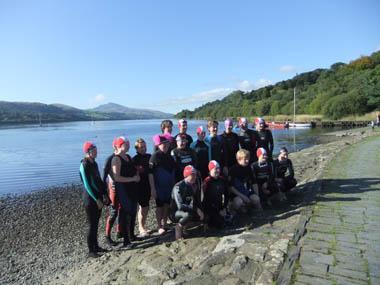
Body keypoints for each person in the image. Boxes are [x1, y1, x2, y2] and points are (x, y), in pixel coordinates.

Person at [79, 141, 108, 258]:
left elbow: (98, 181)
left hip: (98, 197)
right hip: (90, 199)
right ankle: (91, 251)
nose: (96, 152)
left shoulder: (94, 163)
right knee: (91, 224)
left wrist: (104, 194)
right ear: (88, 152)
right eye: (93, 150)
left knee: (96, 223)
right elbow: (87, 184)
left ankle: (96, 246)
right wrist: (97, 199)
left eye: (96, 150)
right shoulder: (84, 164)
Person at [111, 136, 140, 248]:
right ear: (119, 145)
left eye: (128, 143)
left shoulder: (128, 156)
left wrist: (137, 175)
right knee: (126, 212)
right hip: (123, 189)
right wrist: (133, 179)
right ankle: (126, 240)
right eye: (125, 143)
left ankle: (131, 235)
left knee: (133, 211)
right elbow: (116, 177)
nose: (128, 145)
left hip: (132, 188)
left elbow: (134, 169)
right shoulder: (116, 159)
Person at [149, 134, 177, 235]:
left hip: (169, 186)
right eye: (162, 144)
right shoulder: (154, 156)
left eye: (166, 143)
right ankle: (159, 226)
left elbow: (173, 172)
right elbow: (150, 174)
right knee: (159, 206)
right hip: (159, 187)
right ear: (158, 145)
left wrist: (174, 186)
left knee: (167, 205)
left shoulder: (170, 157)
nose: (164, 145)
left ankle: (165, 223)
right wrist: (153, 188)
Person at [170, 165, 204, 240]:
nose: (195, 176)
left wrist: (200, 210)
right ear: (187, 176)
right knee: (188, 214)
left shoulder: (192, 185)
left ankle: (185, 227)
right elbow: (180, 206)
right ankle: (178, 228)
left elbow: (195, 201)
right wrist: (196, 209)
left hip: (186, 208)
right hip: (175, 212)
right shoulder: (178, 187)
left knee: (201, 215)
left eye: (195, 174)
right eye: (193, 175)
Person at [228, 150, 262, 214]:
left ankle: (249, 209)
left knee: (256, 200)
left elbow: (254, 183)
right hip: (236, 194)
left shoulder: (249, 168)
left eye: (248, 159)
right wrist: (243, 197)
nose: (247, 161)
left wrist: (257, 195)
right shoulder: (232, 170)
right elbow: (231, 187)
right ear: (239, 159)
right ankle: (233, 208)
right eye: (245, 159)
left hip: (246, 191)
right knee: (239, 203)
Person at [104, 138, 122, 246]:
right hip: (113, 188)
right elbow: (103, 176)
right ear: (115, 147)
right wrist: (104, 193)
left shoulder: (123, 157)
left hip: (122, 187)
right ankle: (107, 236)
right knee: (113, 211)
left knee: (122, 209)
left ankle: (120, 231)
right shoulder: (110, 159)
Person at [132, 138, 152, 237]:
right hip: (139, 187)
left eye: (144, 146)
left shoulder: (150, 156)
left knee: (146, 207)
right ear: (136, 149)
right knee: (143, 207)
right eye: (141, 147)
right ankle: (140, 227)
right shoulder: (134, 160)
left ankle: (143, 225)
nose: (143, 149)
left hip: (149, 185)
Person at [202, 160, 230, 229]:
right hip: (210, 208)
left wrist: (224, 208)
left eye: (218, 168)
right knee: (218, 223)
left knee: (229, 220)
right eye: (215, 169)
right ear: (210, 170)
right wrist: (216, 211)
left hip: (220, 206)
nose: (217, 170)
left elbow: (227, 194)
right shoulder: (207, 182)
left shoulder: (222, 180)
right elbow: (204, 200)